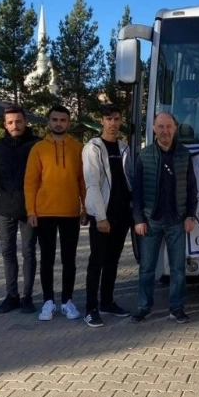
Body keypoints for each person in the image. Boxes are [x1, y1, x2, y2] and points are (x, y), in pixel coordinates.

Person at [131, 112, 198, 324]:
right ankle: (144, 307)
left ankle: (176, 309)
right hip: (151, 220)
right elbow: (137, 192)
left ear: (175, 128)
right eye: (160, 126)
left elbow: (191, 188)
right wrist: (138, 219)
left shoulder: (184, 155)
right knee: (147, 268)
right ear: (153, 129)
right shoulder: (145, 155)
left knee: (178, 269)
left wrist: (190, 216)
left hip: (177, 220)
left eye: (168, 126)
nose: (165, 131)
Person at [24, 104, 87, 321]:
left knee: (69, 259)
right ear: (48, 122)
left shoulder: (78, 147)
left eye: (63, 120)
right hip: (45, 213)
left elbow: (82, 181)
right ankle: (48, 302)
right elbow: (30, 182)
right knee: (47, 259)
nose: (58, 123)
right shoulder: (38, 148)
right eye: (55, 120)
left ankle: (67, 301)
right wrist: (31, 210)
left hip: (70, 212)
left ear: (68, 123)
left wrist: (86, 207)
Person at [82, 104, 133, 327]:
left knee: (113, 260)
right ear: (101, 121)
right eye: (108, 119)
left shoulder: (124, 148)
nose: (113, 123)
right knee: (97, 261)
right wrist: (100, 217)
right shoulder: (93, 148)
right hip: (102, 215)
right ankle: (90, 308)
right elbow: (92, 184)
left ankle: (107, 301)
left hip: (122, 214)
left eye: (116, 118)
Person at [0, 105, 41, 314]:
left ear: (25, 121)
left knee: (29, 252)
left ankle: (27, 296)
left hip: (30, 209)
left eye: (18, 121)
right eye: (10, 122)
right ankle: (12, 295)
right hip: (3, 208)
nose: (14, 125)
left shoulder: (37, 145)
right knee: (7, 252)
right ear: (4, 124)